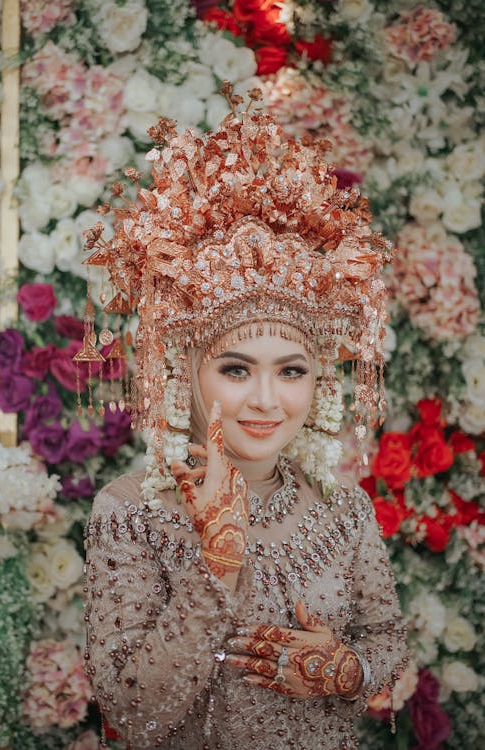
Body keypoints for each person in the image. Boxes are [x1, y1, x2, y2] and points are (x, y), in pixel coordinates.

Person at [81, 86, 407, 749]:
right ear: (185, 372)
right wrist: (216, 564)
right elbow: (134, 712)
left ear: (318, 379)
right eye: (235, 369)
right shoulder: (131, 514)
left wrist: (350, 670)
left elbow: (388, 642)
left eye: (291, 371)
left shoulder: (343, 510)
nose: (266, 401)